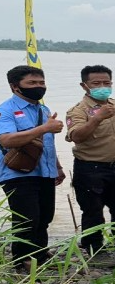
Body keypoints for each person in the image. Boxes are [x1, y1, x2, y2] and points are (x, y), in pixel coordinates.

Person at [66, 65, 115, 265]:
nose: (102, 87)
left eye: (106, 83)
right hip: (91, 169)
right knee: (93, 212)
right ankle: (95, 251)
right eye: (96, 83)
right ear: (84, 85)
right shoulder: (78, 110)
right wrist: (97, 118)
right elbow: (76, 137)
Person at [0, 65, 65, 272]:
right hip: (17, 173)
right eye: (32, 83)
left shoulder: (43, 110)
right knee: (26, 218)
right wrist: (44, 128)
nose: (39, 87)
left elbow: (47, 144)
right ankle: (22, 259)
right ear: (15, 86)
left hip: (45, 172)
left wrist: (58, 167)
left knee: (45, 216)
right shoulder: (6, 110)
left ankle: (39, 252)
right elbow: (6, 139)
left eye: (41, 83)